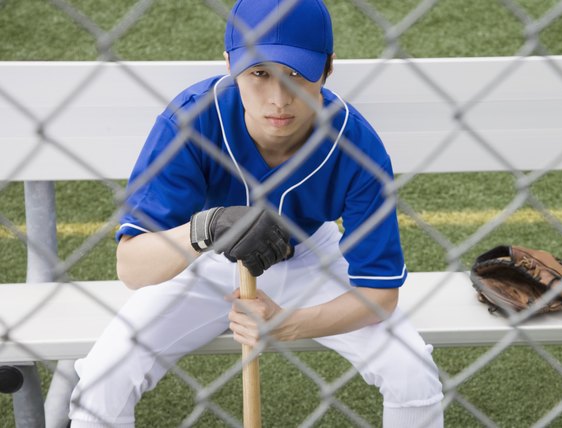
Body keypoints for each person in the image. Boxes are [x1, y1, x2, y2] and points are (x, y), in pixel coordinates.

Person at [68, 0, 445, 426]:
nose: (278, 99)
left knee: (414, 375)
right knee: (102, 378)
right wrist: (205, 228)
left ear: (329, 68)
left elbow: (380, 296)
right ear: (229, 64)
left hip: (311, 260)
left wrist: (289, 324)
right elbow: (132, 268)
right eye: (259, 73)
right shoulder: (191, 120)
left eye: (297, 75)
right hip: (205, 258)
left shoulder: (356, 145)